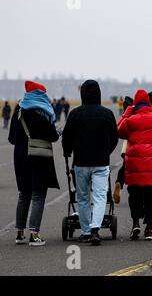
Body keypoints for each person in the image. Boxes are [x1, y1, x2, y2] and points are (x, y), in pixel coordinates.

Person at [62, 80, 119, 245]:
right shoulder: (107, 114)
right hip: (101, 162)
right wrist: (106, 151)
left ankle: (86, 231)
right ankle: (95, 229)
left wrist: (68, 151)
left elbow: (67, 137)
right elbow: (114, 138)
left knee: (83, 197)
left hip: (81, 162)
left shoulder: (75, 114)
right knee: (100, 196)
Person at [8, 81, 60, 246]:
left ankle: (19, 232)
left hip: (20, 157)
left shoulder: (19, 111)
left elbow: (11, 138)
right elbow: (53, 136)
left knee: (24, 194)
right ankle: (34, 234)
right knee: (38, 195)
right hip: (39, 157)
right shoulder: (42, 112)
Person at [118, 89, 152, 241]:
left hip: (136, 166)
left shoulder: (131, 120)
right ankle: (149, 229)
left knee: (135, 195)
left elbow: (119, 131)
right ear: (149, 103)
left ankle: (135, 223)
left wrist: (128, 111)